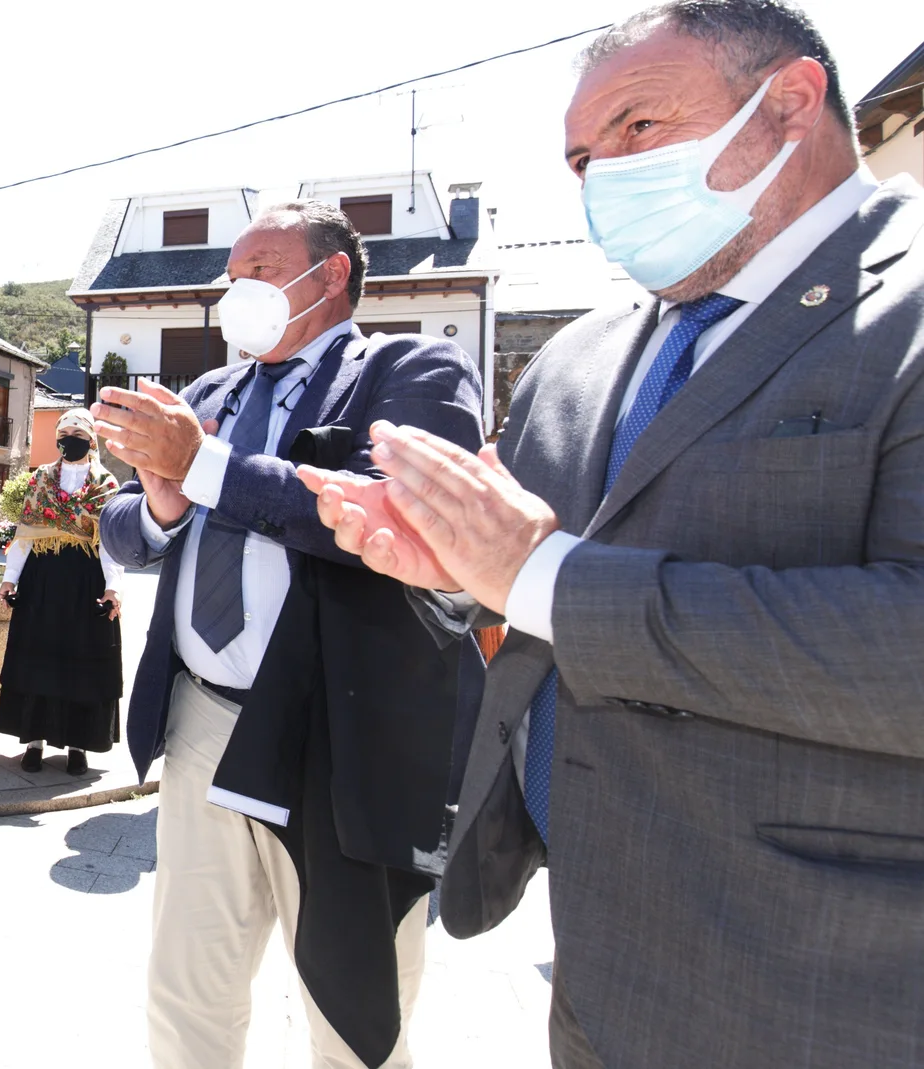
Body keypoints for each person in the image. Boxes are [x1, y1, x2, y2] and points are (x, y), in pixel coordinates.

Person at [296, 3, 924, 1065]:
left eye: (636, 127)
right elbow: (534, 592)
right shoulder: (576, 363)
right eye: (581, 157)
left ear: (790, 102)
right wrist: (460, 569)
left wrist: (537, 575)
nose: (602, 179)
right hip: (599, 959)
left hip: (834, 983)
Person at [93, 201, 484, 1069]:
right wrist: (160, 500)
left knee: (353, 1011)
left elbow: (393, 513)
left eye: (260, 272)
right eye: (231, 279)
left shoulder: (412, 368)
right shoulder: (206, 396)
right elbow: (118, 523)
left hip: (339, 736)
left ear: (331, 273)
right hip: (203, 722)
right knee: (187, 993)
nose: (238, 293)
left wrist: (203, 466)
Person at [0, 408, 123, 775]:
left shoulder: (105, 484)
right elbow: (25, 535)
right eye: (64, 432)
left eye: (78, 432)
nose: (70, 438)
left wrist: (114, 587)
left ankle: (78, 746)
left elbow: (111, 542)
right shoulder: (40, 481)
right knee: (37, 660)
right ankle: (33, 742)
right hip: (42, 581)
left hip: (85, 582)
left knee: (80, 665)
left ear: (91, 439)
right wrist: (10, 579)